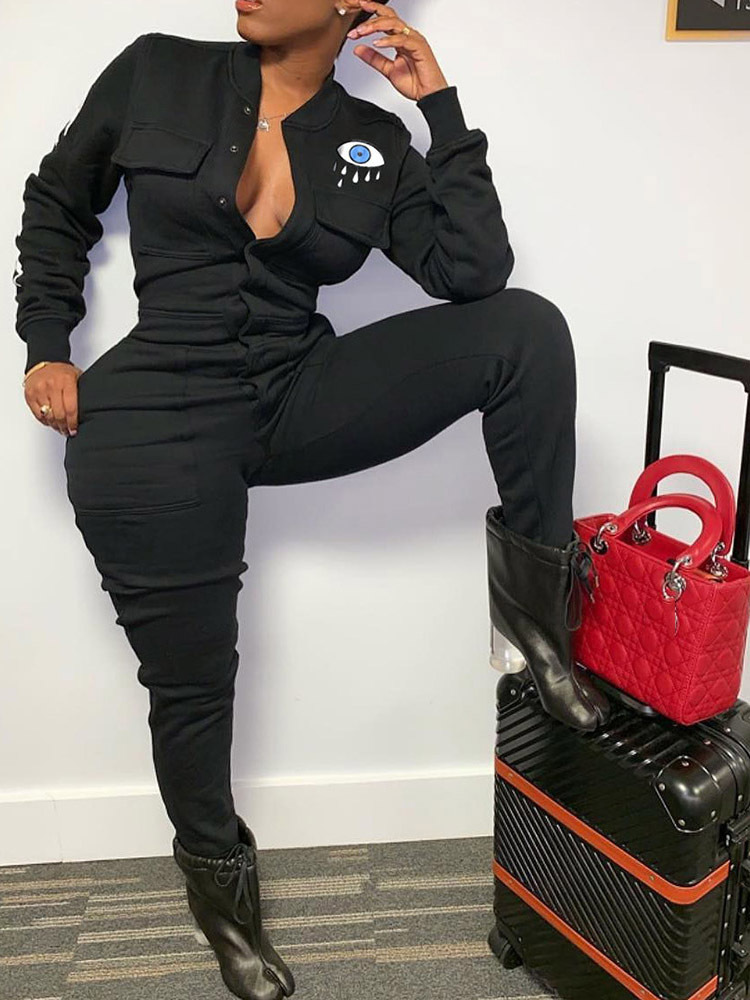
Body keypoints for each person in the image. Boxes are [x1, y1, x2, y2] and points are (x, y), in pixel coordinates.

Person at [13, 1, 611, 997]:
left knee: (527, 333)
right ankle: (220, 891)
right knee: (193, 683)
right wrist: (46, 346)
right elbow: (57, 202)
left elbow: (473, 272)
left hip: (295, 388)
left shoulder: (370, 139)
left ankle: (537, 631)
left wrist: (439, 109)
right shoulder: (157, 70)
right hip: (158, 412)